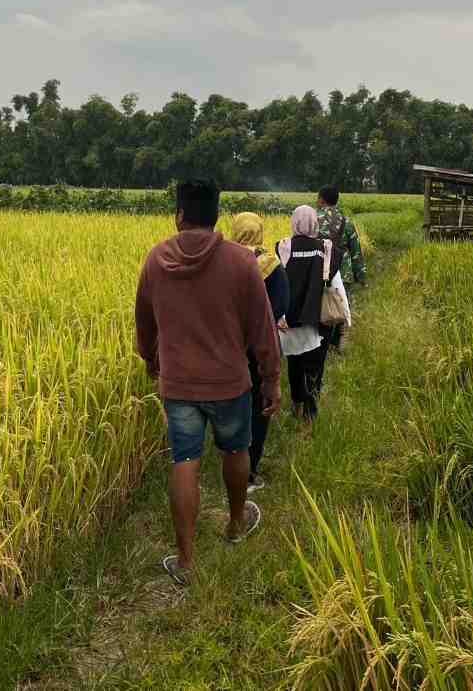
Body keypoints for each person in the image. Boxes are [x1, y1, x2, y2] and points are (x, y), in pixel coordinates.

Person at [135, 181, 282, 585]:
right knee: (235, 449)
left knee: (184, 459)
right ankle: (236, 524)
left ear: (179, 215)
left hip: (179, 383)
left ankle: (185, 560)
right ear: (216, 216)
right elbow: (262, 329)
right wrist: (270, 379)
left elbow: (144, 322)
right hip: (230, 383)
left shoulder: (155, 259)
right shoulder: (240, 262)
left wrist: (151, 359)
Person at [230, 212, 289, 494]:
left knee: (231, 403)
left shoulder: (224, 264)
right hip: (262, 348)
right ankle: (250, 471)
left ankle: (229, 463)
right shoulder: (273, 266)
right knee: (260, 405)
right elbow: (279, 306)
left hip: (229, 348)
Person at [276, 205, 341, 422]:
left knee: (294, 361)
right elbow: (335, 283)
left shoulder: (283, 247)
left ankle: (296, 404)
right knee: (315, 364)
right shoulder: (327, 248)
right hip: (319, 316)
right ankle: (311, 409)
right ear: (315, 223)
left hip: (291, 316)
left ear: (294, 222)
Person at [315, 185, 366, 352]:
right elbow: (356, 251)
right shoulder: (347, 221)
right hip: (342, 270)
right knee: (342, 304)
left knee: (320, 304)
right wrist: (361, 275)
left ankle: (320, 341)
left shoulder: (313, 219)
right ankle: (340, 341)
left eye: (318, 198)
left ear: (322, 199)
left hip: (318, 269)